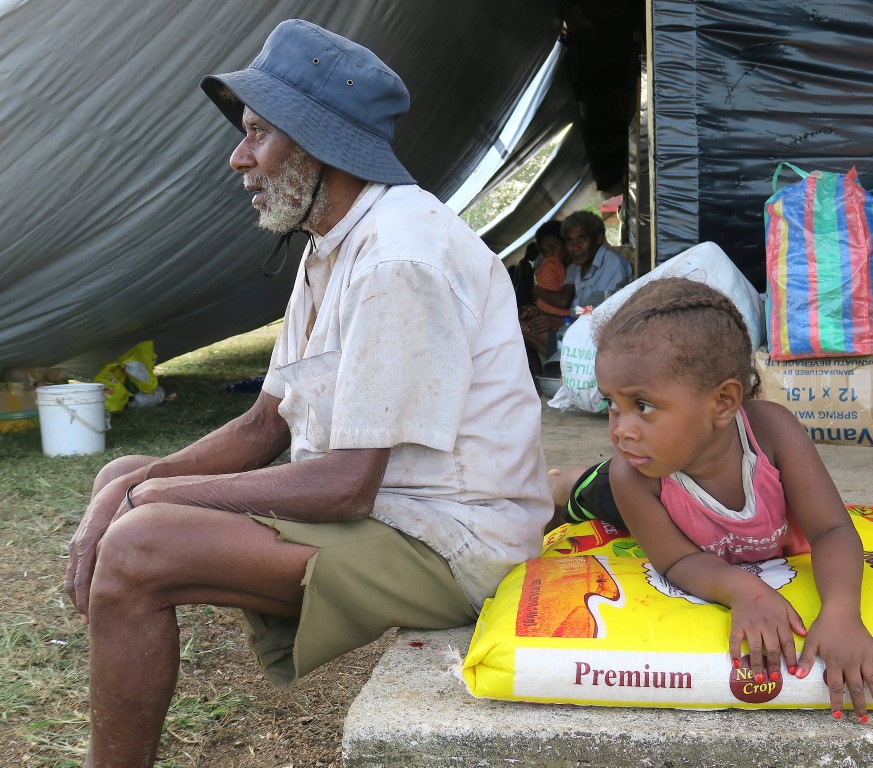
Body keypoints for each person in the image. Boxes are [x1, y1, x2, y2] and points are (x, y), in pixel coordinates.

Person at [64, 19, 551, 767]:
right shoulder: (332, 241)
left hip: (450, 543)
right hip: (392, 516)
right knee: (117, 477)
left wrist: (142, 505)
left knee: (140, 542)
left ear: (317, 143)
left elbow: (348, 486)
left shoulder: (399, 256)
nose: (238, 157)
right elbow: (266, 424)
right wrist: (129, 484)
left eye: (258, 134)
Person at [548, 277, 873, 722]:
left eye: (642, 405)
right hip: (631, 493)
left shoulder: (774, 435)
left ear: (723, 402)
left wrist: (841, 614)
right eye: (612, 406)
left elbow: (832, 529)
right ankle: (562, 482)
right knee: (582, 493)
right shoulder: (632, 474)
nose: (621, 428)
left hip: (675, 480)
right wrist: (741, 589)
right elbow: (677, 562)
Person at [557, 209, 633, 309]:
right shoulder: (580, 268)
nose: (575, 247)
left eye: (582, 239)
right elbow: (582, 311)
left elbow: (609, 311)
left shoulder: (612, 263)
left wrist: (562, 320)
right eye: (570, 241)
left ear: (598, 239)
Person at [519, 219, 572, 362]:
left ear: (565, 245)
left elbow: (565, 303)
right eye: (543, 251)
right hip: (567, 324)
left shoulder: (574, 270)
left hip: (573, 329)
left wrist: (537, 291)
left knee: (521, 329)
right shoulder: (554, 272)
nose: (549, 254)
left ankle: (558, 364)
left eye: (553, 247)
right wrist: (538, 312)